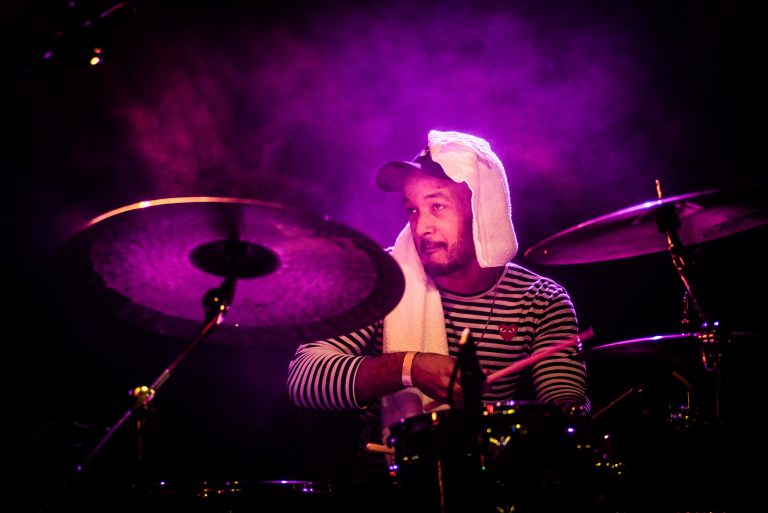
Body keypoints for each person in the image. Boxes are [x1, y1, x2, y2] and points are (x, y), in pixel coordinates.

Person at [287, 130, 590, 512]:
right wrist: (409, 367)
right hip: (386, 500)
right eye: (412, 209)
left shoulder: (541, 300)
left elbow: (567, 410)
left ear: (484, 210)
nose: (421, 226)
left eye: (438, 207)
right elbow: (304, 380)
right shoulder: (380, 280)